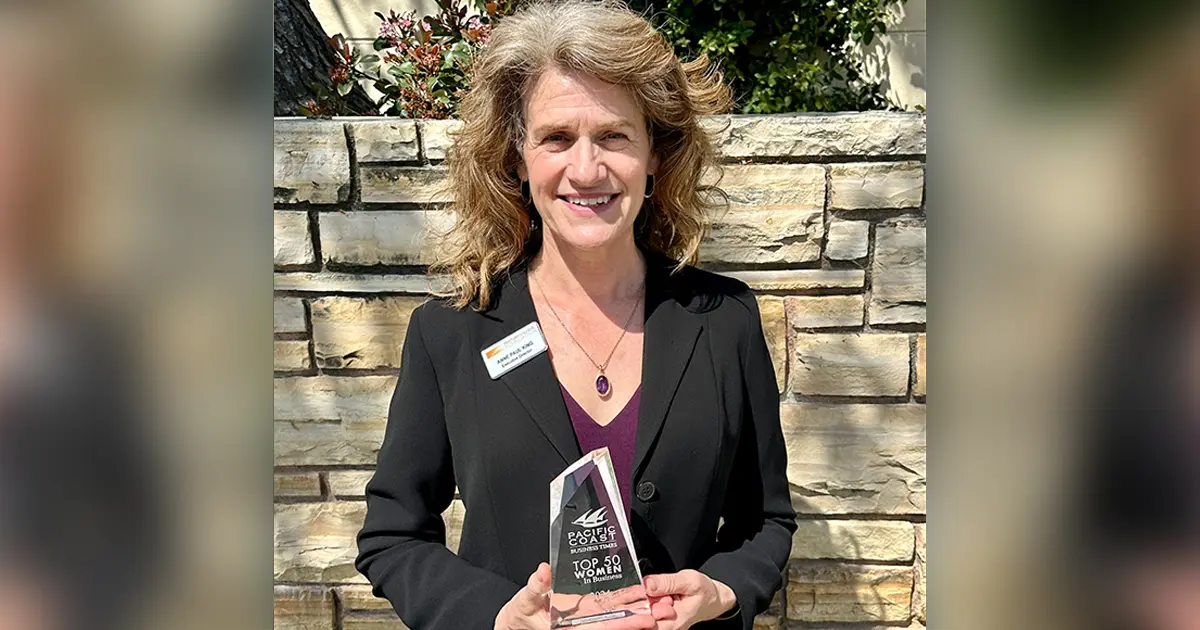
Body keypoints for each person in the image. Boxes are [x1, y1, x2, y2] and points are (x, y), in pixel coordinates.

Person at [355, 2, 796, 628]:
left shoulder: (724, 320)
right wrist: (495, 616)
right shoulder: (450, 332)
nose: (586, 170)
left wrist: (721, 591)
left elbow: (766, 522)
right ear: (517, 160)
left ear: (654, 156)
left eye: (614, 135)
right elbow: (392, 537)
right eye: (556, 138)